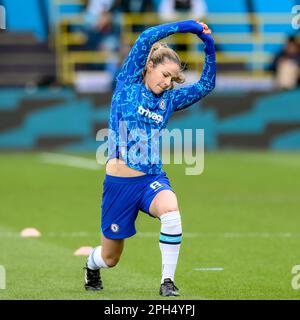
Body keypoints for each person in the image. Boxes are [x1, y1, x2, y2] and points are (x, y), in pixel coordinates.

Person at [84, 20, 216, 296]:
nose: (167, 82)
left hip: (151, 180)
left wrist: (209, 47)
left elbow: (206, 85)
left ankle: (167, 281)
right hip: (119, 184)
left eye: (172, 79)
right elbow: (147, 36)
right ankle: (90, 265)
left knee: (171, 212)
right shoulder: (128, 82)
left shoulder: (168, 100)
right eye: (165, 74)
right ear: (149, 66)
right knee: (110, 258)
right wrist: (189, 26)